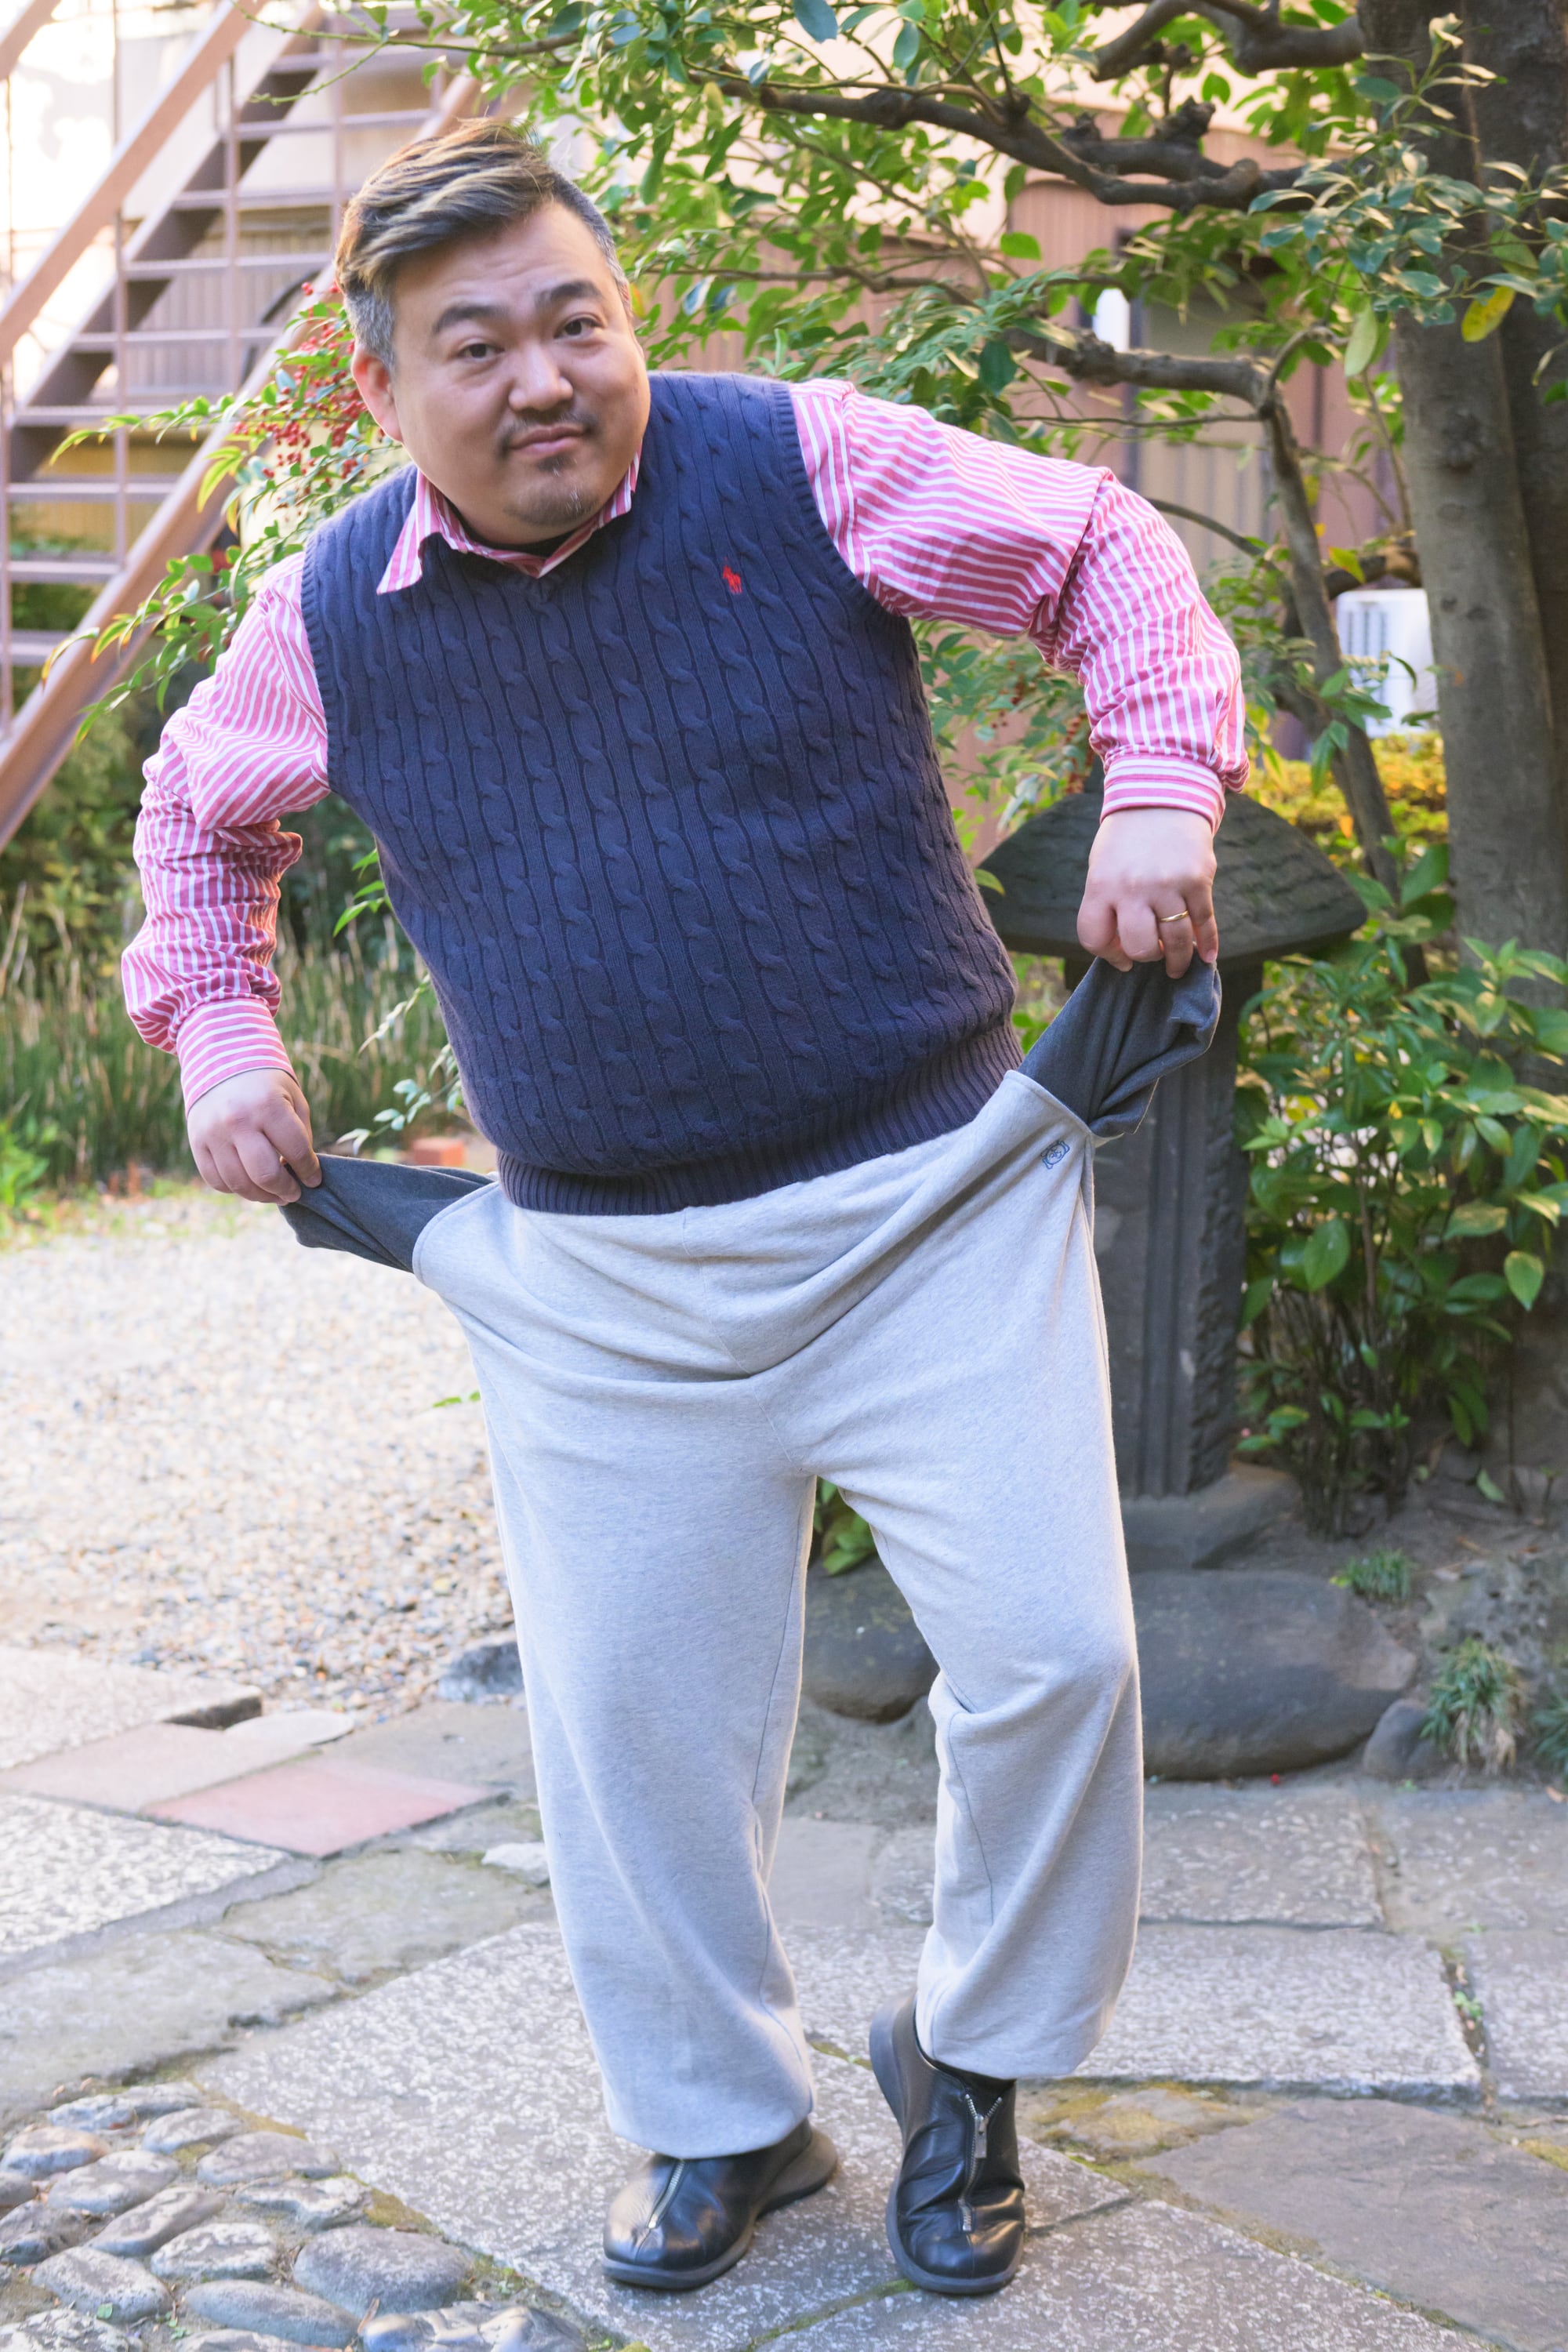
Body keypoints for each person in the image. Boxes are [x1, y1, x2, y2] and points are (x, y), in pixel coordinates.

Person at [125, 121, 1247, 2299]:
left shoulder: (800, 463)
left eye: (581, 322)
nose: (546, 378)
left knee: (1060, 1659)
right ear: (382, 388)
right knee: (635, 1730)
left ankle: (972, 2063)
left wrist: (1160, 785)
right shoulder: (328, 614)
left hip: (939, 1206)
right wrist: (222, 1040)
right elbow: (195, 820)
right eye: (479, 346)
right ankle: (728, 2119)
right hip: (599, 1276)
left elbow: (1103, 550)